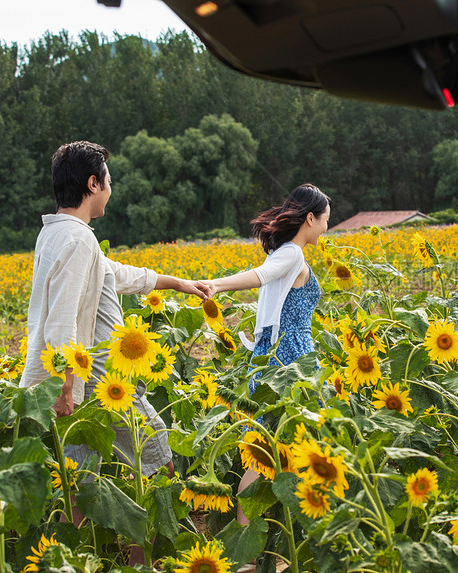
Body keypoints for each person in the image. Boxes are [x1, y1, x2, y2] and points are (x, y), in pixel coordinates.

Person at [20, 141, 212, 550]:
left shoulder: (57, 235)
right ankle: (158, 550)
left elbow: (116, 274)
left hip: (79, 384)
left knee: (79, 475)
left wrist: (176, 283)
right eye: (109, 180)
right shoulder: (79, 241)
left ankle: (70, 553)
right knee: (157, 458)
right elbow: (63, 319)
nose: (111, 188)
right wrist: (66, 386)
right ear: (93, 183)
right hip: (99, 385)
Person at [202, 183, 330, 528]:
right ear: (310, 218)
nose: (326, 227)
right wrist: (217, 284)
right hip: (289, 359)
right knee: (289, 447)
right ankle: (270, 538)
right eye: (325, 220)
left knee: (267, 450)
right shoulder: (292, 253)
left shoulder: (285, 252)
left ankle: (258, 541)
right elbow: (261, 277)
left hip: (280, 354)